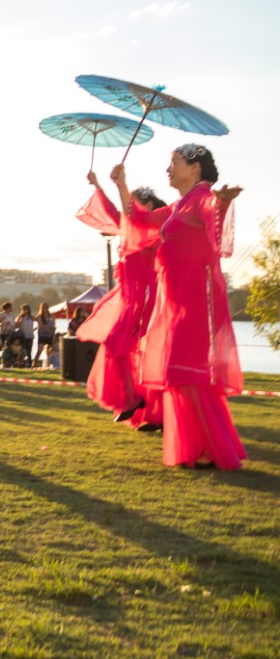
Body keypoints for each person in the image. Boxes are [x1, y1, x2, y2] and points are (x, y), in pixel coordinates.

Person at [113, 148, 244, 469]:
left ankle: (214, 448)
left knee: (191, 372)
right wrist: (121, 183)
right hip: (175, 303)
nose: (168, 169)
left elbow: (214, 214)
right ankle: (199, 447)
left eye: (174, 164)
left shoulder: (202, 198)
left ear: (195, 168)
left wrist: (223, 201)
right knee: (179, 373)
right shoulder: (178, 207)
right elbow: (139, 219)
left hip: (195, 300)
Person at [33, 303, 57, 369]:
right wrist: (50, 327)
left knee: (49, 351)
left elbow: (54, 327)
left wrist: (54, 335)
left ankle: (48, 365)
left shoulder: (52, 316)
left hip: (50, 335)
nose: (45, 309)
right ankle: (34, 364)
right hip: (42, 335)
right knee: (39, 350)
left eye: (46, 307)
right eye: (43, 308)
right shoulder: (40, 316)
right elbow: (41, 325)